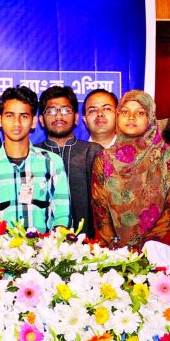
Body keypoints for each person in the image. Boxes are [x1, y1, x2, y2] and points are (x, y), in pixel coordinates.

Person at [92, 90, 170, 250]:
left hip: (157, 252)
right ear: (118, 116)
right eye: (125, 112)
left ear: (150, 118)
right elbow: (101, 211)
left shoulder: (169, 155)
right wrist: (115, 251)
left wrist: (146, 250)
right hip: (115, 255)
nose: (131, 117)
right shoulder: (104, 158)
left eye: (140, 112)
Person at [0, 86, 70, 237]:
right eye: (10, 115)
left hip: (43, 257)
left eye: (24, 116)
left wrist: (54, 249)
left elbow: (62, 215)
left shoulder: (52, 163)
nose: (16, 123)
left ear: (34, 122)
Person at [34, 86, 102, 237]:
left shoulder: (93, 152)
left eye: (65, 110)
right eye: (51, 111)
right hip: (41, 247)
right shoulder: (33, 155)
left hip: (88, 246)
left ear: (76, 118)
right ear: (41, 120)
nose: (58, 116)